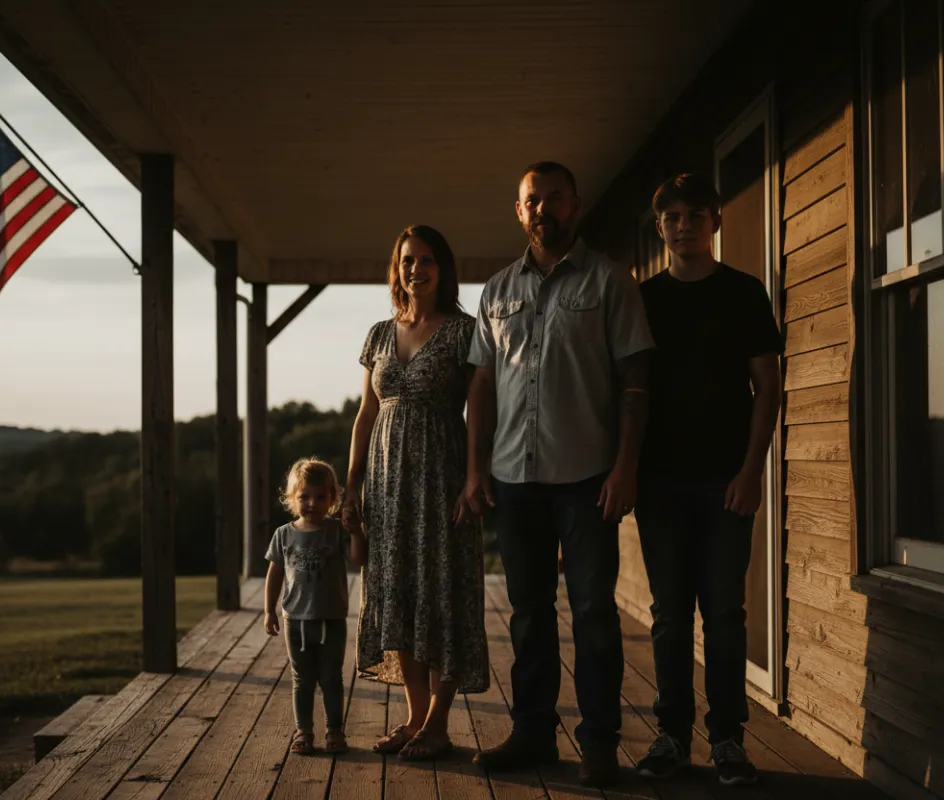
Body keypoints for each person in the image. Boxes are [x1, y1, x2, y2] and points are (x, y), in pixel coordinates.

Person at [463, 162, 654, 787]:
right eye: (531, 201)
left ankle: (598, 741)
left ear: (575, 205)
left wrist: (625, 468)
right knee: (528, 612)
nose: (542, 208)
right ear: (518, 212)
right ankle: (532, 734)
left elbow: (635, 384)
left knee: (594, 612)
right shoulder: (495, 290)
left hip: (587, 477)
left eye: (554, 198)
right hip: (514, 478)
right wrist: (475, 468)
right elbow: (483, 386)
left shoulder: (610, 282)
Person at [632, 173, 782, 786]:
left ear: (715, 222)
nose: (685, 224)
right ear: (660, 227)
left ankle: (727, 740)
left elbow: (768, 387)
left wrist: (752, 472)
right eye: (673, 216)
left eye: (697, 214)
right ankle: (671, 735)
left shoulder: (744, 293)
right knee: (670, 615)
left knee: (723, 614)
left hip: (726, 478)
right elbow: (628, 391)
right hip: (659, 481)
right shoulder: (644, 299)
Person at [343, 224, 490, 761]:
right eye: (407, 260)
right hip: (385, 487)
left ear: (442, 269)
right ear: (396, 268)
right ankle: (412, 717)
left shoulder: (464, 332)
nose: (416, 269)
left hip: (442, 479)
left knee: (444, 595)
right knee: (398, 595)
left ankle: (438, 723)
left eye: (426, 260)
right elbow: (366, 415)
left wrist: (475, 476)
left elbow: (480, 413)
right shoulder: (380, 334)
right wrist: (353, 485)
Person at [264, 457, 368, 756]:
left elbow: (359, 560)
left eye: (320, 497)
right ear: (291, 498)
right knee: (302, 679)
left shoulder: (336, 531)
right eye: (304, 497)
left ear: (332, 499)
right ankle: (303, 731)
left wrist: (357, 532)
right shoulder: (283, 534)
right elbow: (275, 575)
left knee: (332, 678)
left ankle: (335, 731)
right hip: (296, 620)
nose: (312, 503)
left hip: (332, 619)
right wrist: (269, 610)